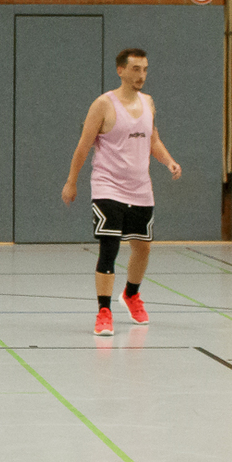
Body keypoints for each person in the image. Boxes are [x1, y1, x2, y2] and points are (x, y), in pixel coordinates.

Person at [61, 47, 182, 337]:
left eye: (145, 69)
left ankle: (131, 294)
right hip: (108, 186)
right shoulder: (103, 104)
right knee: (110, 247)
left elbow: (154, 140)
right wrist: (71, 181)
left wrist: (168, 161)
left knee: (143, 247)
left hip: (141, 188)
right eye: (136, 69)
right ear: (121, 70)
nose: (141, 75)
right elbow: (83, 145)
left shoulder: (148, 103)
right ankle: (104, 311)